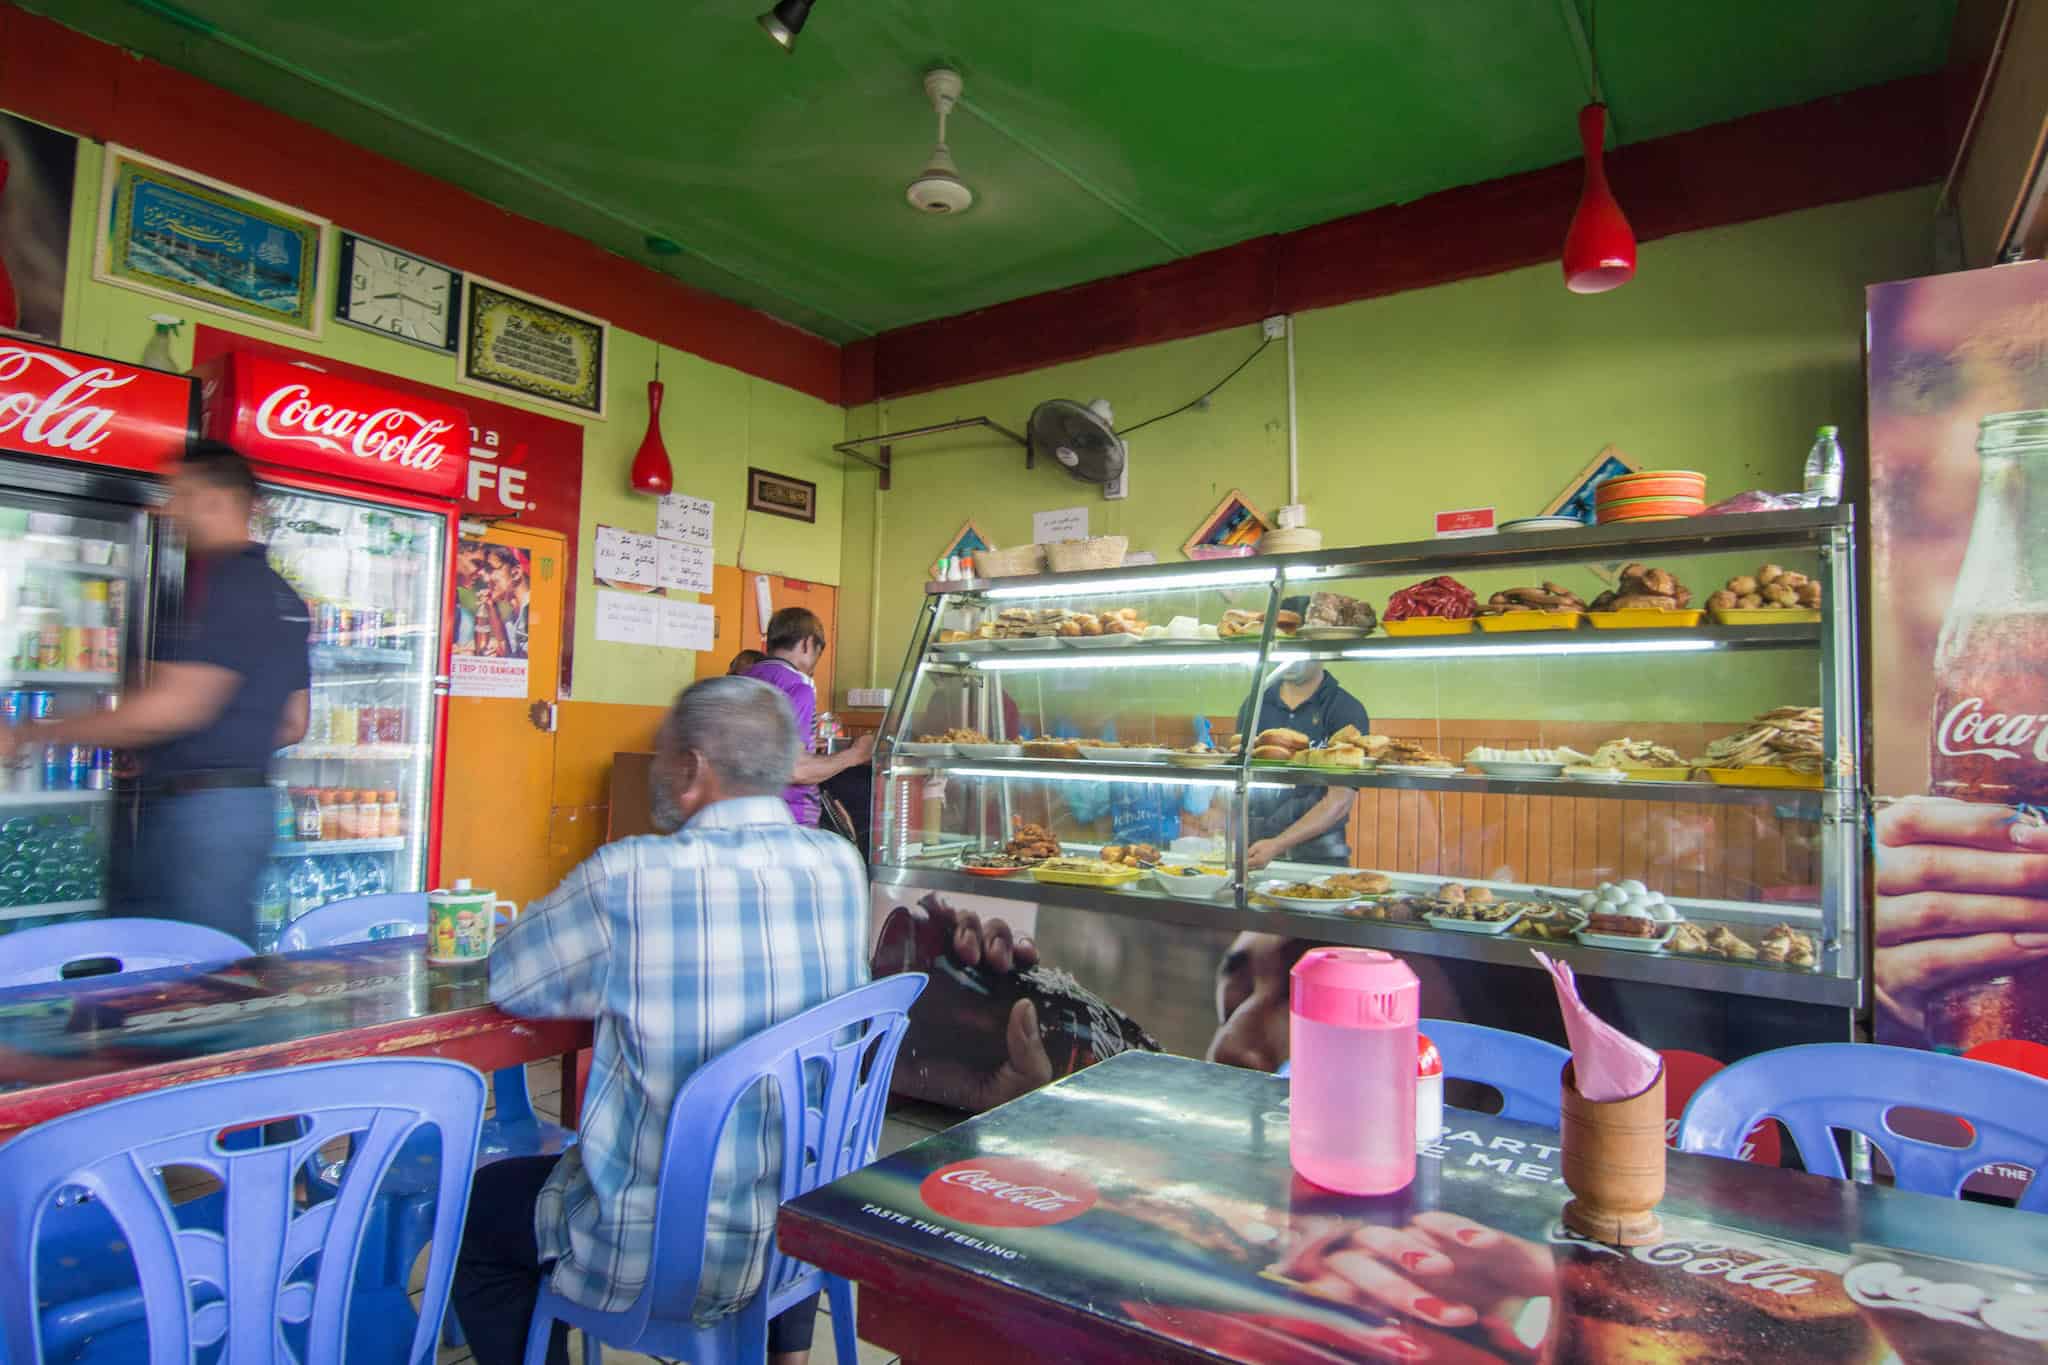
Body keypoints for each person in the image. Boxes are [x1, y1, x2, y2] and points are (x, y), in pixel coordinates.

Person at [452, 675, 867, 1365]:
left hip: (657, 1248)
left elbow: (512, 979)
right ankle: (782, 1349)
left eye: (662, 753)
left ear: (694, 767)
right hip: (799, 1224)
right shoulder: (840, 866)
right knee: (779, 1125)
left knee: (478, 1214)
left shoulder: (632, 876)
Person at [0, 442, 308, 943]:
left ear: (214, 500)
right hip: (245, 809)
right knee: (211, 963)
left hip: (198, 819)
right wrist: (209, 746)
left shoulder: (224, 584)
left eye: (178, 495)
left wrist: (32, 732)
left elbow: (173, 708)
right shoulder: (281, 593)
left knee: (187, 977)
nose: (166, 509)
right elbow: (294, 723)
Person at [1235, 623, 1370, 867]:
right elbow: (1237, 778)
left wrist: (1277, 844)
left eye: (1298, 648)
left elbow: (1340, 801)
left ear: (1321, 650)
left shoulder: (1345, 709)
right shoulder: (1254, 705)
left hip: (1319, 856)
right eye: (1283, 648)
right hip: (1254, 849)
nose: (1288, 658)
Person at [745, 606, 872, 826]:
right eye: (818, 652)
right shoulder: (799, 686)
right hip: (789, 818)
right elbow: (795, 769)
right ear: (807, 643)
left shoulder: (747, 677)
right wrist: (856, 754)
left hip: (746, 812)